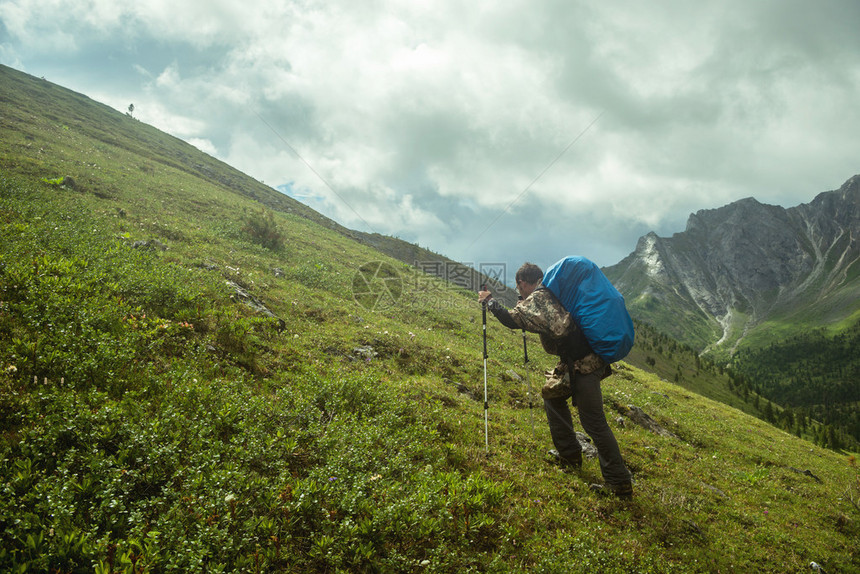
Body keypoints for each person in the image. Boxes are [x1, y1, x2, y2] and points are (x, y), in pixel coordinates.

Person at [478, 262, 633, 499]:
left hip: (584, 364)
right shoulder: (553, 293)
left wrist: (489, 302)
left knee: (594, 423)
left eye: (519, 289)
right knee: (552, 395)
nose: (520, 294)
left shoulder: (540, 296)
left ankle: (619, 484)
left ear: (523, 283)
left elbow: (512, 319)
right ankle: (570, 456)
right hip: (579, 361)